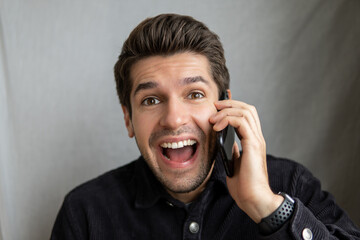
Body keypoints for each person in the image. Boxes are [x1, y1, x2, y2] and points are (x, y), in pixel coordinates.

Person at [51, 13, 360, 239]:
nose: (174, 118)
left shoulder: (291, 185)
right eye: (150, 100)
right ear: (128, 119)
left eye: (195, 94)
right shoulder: (85, 214)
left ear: (226, 105)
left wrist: (267, 208)